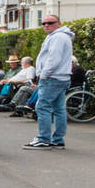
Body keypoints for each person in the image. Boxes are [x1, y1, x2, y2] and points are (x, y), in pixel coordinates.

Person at [26, 13, 74, 150]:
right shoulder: (60, 36)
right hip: (61, 77)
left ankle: (44, 139)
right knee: (58, 109)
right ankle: (57, 139)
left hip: (53, 77)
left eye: (50, 23)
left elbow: (54, 58)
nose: (46, 25)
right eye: (44, 23)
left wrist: (44, 75)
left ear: (58, 24)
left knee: (42, 107)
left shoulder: (58, 37)